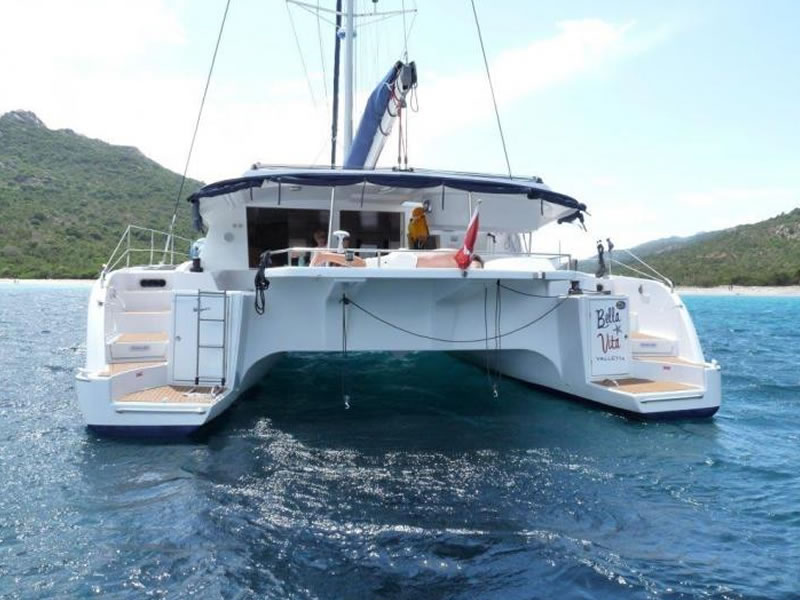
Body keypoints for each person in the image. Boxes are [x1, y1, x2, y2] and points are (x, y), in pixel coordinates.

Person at [310, 249, 484, 269]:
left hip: (406, 259)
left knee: (364, 263)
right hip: (407, 262)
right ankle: (325, 255)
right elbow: (475, 268)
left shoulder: (454, 253)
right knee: (362, 264)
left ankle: (326, 255)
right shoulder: (466, 258)